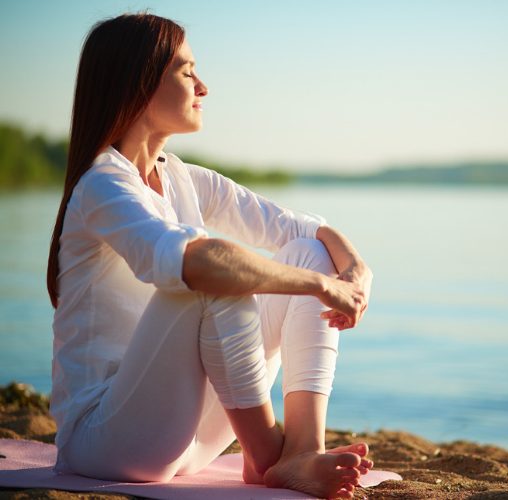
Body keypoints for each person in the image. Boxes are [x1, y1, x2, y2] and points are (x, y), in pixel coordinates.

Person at [46, 13, 374, 499]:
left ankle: (301, 449)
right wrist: (321, 287)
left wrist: (355, 270)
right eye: (186, 71)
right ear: (137, 84)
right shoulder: (103, 184)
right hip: (106, 441)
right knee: (211, 276)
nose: (203, 86)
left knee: (306, 253)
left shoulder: (182, 177)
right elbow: (198, 263)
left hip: (189, 439)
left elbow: (306, 230)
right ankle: (267, 456)